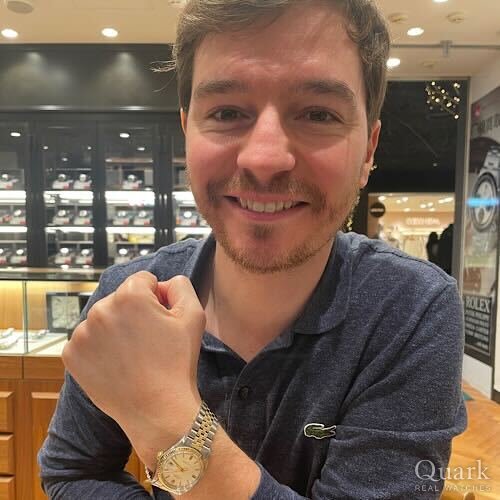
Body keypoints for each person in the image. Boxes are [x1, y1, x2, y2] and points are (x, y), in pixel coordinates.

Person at [38, 1, 467, 498]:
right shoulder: (131, 297)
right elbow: (71, 473)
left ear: (368, 150)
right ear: (187, 133)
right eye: (226, 112)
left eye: (318, 114)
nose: (264, 158)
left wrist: (173, 418)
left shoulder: (411, 308)